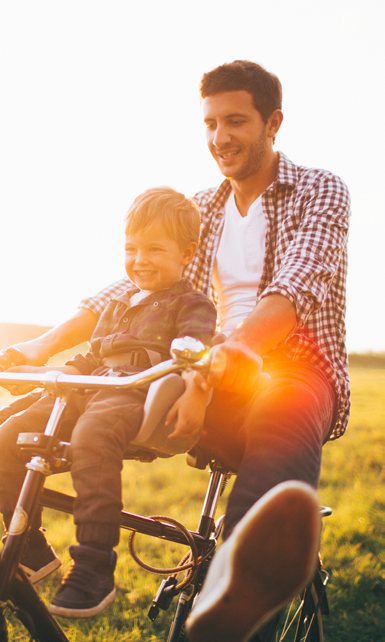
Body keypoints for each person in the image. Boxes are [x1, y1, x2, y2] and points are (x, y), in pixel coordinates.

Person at [0, 61, 350, 641]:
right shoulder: (201, 207)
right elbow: (132, 287)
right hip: (191, 366)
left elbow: (298, 284)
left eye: (236, 121)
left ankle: (237, 599)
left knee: (280, 413)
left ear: (274, 123)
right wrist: (41, 345)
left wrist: (229, 354)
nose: (220, 138)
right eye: (210, 123)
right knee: (37, 420)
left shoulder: (319, 190)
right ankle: (35, 558)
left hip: (289, 367)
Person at [0, 187, 217, 618]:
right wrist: (54, 376)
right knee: (8, 435)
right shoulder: (117, 306)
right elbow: (92, 355)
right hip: (89, 391)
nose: (140, 259)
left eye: (155, 249)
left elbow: (196, 349)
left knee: (93, 436)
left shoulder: (191, 303)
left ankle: (94, 565)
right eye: (132, 248)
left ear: (188, 252)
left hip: (135, 396)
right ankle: (30, 546)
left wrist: (196, 385)